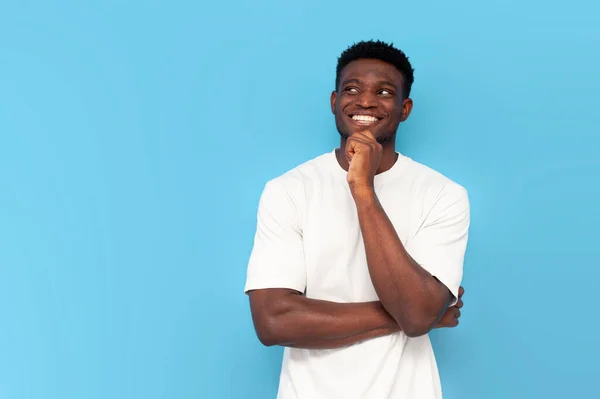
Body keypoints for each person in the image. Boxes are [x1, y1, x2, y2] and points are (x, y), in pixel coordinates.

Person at [244, 40, 470, 399]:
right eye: (352, 89)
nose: (365, 101)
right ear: (335, 102)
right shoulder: (288, 190)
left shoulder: (443, 195)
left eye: (384, 92)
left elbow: (417, 314)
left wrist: (362, 189)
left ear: (404, 108)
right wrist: (416, 315)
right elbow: (273, 321)